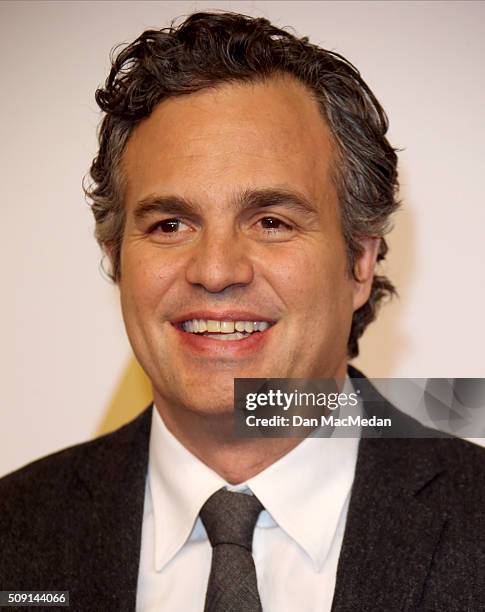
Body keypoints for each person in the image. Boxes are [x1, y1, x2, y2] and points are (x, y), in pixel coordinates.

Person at [1, 11, 484, 612]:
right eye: (170, 224)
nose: (216, 269)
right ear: (116, 260)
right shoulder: (13, 536)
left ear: (360, 261)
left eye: (271, 222)